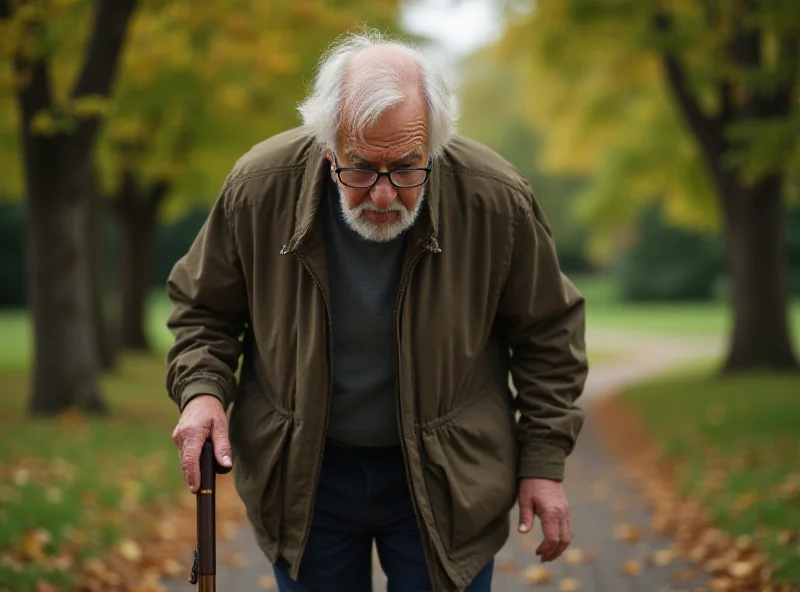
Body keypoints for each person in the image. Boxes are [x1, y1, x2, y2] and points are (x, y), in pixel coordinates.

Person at [166, 30, 588, 592]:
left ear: (434, 147)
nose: (385, 194)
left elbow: (547, 333)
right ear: (327, 146)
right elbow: (204, 310)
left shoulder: (496, 199)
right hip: (307, 475)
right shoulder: (258, 189)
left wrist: (543, 460)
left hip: (448, 474)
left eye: (408, 167)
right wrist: (201, 392)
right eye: (361, 167)